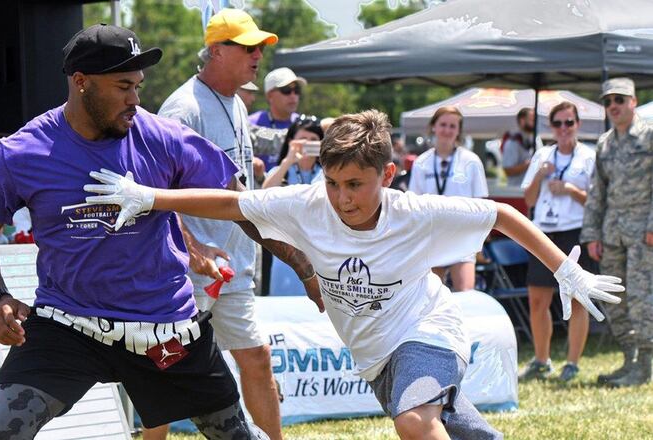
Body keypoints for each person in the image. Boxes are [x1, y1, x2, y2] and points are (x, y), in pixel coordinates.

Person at [83, 109, 624, 440]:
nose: (344, 199)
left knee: (414, 422)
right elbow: (232, 203)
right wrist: (149, 198)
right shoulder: (307, 203)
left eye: (357, 185)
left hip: (429, 330)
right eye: (335, 182)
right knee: (451, 427)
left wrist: (566, 272)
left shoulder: (416, 214)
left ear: (387, 175)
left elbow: (503, 216)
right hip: (374, 354)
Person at [0, 24, 271, 439]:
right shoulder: (22, 152)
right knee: (1, 430)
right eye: (123, 86)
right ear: (81, 82)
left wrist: (307, 269)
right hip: (68, 325)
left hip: (165, 328)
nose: (135, 100)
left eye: (138, 86)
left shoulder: (162, 136)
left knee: (237, 437)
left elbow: (243, 205)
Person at [154, 9, 313, 439]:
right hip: (187, 271)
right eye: (248, 47)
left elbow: (241, 193)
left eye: (260, 47)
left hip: (235, 268)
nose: (258, 55)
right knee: (164, 362)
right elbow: (155, 197)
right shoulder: (182, 109)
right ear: (217, 52)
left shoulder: (236, 104)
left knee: (257, 356)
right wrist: (194, 250)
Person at [518, 101, 597, 382]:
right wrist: (540, 173)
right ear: (551, 127)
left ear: (577, 124)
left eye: (569, 123)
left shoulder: (589, 157)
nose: (564, 129)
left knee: (577, 300)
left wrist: (571, 190)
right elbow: (528, 200)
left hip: (574, 233)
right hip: (543, 234)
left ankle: (572, 363)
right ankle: (541, 360)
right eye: (558, 123)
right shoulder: (541, 155)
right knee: (538, 300)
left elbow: (597, 203)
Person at [582, 77, 653, 387]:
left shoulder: (649, 137)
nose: (613, 106)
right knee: (614, 297)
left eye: (619, 100)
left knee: (642, 298)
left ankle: (645, 364)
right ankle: (629, 359)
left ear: (633, 102)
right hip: (612, 234)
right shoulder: (604, 143)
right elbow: (597, 191)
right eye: (608, 101)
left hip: (643, 234)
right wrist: (591, 234)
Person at [408, 106, 488, 291]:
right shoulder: (422, 163)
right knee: (431, 298)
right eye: (443, 124)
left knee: (466, 296)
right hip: (432, 237)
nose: (447, 130)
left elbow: (482, 203)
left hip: (462, 236)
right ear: (433, 127)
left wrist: (480, 240)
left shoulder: (471, 161)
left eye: (452, 126)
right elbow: (413, 203)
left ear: (458, 130)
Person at [261, 116, 324, 296]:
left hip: (318, 252)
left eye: (314, 140)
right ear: (290, 141)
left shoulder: (327, 173)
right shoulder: (280, 173)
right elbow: (263, 196)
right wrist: (288, 160)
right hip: (285, 254)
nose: (308, 144)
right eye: (303, 139)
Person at [249, 67, 307, 170]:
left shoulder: (304, 124)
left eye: (296, 90)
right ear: (270, 95)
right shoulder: (252, 123)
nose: (293, 96)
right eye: (286, 90)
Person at [501, 107, 542, 187]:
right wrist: (527, 165)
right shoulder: (512, 142)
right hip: (517, 191)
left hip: (534, 190)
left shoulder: (537, 139)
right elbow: (508, 170)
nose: (535, 123)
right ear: (522, 121)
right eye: (532, 120)